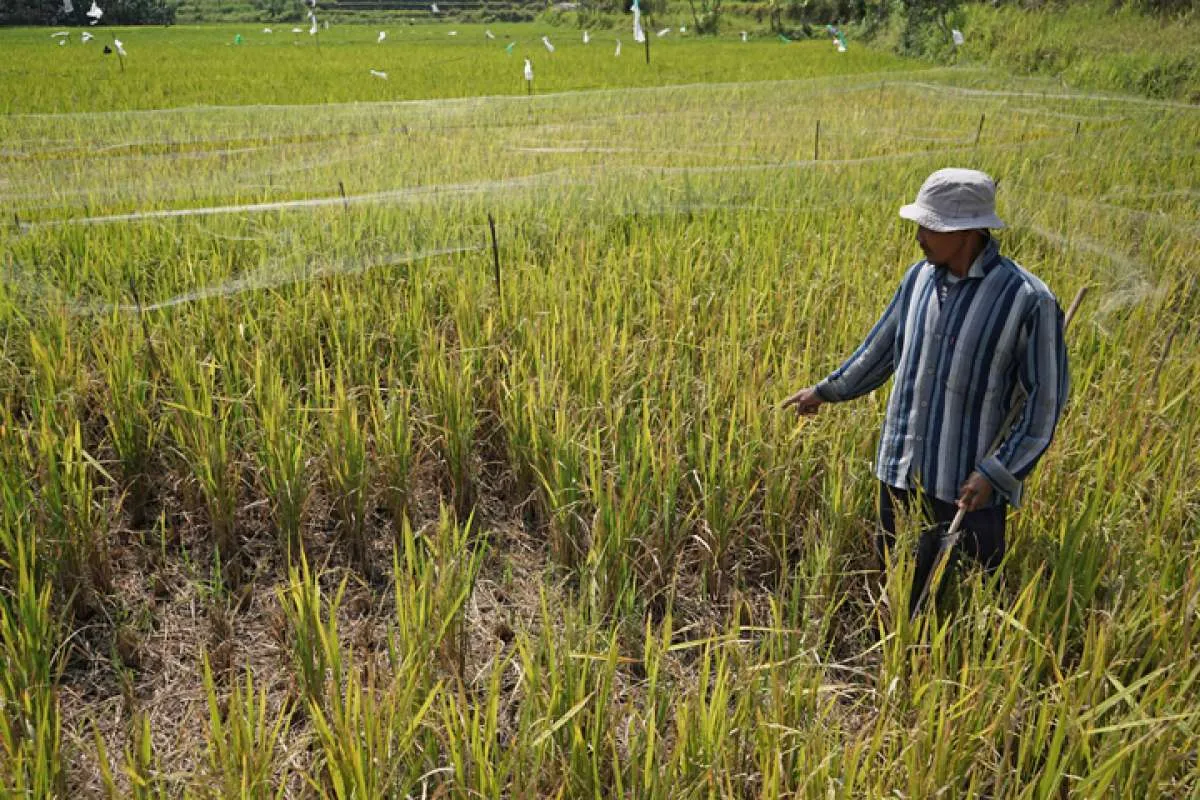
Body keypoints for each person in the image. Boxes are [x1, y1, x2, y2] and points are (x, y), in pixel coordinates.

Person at [782, 167, 1069, 613]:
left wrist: (997, 473)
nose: (919, 235)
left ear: (968, 231)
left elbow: (1044, 405)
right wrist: (825, 391)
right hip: (899, 472)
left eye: (930, 227)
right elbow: (879, 351)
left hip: (967, 491)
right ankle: (894, 667)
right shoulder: (918, 279)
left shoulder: (1028, 300)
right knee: (895, 596)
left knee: (960, 609)